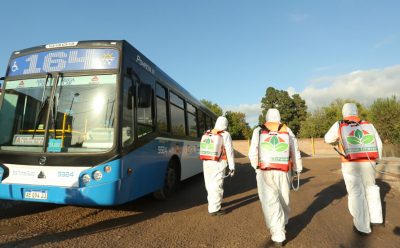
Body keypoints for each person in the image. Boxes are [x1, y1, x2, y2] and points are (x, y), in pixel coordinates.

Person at [324, 103, 383, 235]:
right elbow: (378, 143)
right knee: (371, 187)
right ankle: (376, 218)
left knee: (356, 193)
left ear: (344, 112)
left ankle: (362, 227)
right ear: (356, 112)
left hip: (350, 163)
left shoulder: (339, 124)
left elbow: (327, 138)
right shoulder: (368, 124)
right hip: (369, 162)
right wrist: (376, 160)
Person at [248, 108, 302, 246]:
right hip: (283, 170)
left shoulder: (258, 130)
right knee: (284, 197)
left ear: (266, 117)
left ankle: (278, 234)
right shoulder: (287, 130)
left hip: (264, 170)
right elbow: (294, 151)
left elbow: (253, 151)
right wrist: (297, 169)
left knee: (269, 201)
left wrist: (257, 167)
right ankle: (283, 222)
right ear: (279, 116)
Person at [199, 116, 235, 216]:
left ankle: (212, 204)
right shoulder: (225, 134)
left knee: (209, 184)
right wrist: (232, 167)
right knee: (217, 185)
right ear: (225, 124)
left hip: (206, 162)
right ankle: (215, 209)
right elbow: (229, 151)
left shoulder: (208, 132)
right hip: (219, 163)